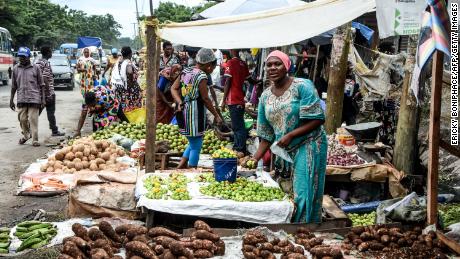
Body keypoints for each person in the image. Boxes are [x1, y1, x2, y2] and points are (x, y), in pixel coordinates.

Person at [251, 50, 327, 223]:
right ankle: (291, 226)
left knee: (304, 190)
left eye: (277, 64)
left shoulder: (302, 86)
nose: (272, 68)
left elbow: (318, 119)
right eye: (269, 65)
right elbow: (266, 134)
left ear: (287, 66)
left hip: (309, 143)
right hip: (284, 149)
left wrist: (291, 135)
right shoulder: (265, 96)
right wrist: (255, 158)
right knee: (287, 191)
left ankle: (305, 228)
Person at [171, 48, 224, 169]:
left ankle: (182, 165)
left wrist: (180, 101)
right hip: (194, 113)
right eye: (213, 66)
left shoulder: (186, 71)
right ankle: (192, 169)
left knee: (193, 141)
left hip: (184, 111)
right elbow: (205, 99)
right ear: (209, 66)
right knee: (196, 146)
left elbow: (173, 89)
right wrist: (216, 115)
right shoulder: (201, 76)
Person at [10, 47, 45, 146]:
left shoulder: (36, 68)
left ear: (29, 57)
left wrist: (43, 99)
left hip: (34, 98)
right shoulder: (16, 68)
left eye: (24, 57)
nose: (21, 59)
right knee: (22, 119)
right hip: (22, 98)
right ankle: (26, 135)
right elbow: (13, 86)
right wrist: (11, 100)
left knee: (33, 120)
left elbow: (42, 84)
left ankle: (35, 139)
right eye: (20, 56)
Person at [221, 49, 250, 155]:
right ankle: (238, 146)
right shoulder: (243, 63)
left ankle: (240, 148)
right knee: (239, 124)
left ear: (231, 50)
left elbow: (228, 82)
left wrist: (223, 100)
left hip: (233, 99)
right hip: (240, 99)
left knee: (238, 126)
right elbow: (250, 79)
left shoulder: (230, 63)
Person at [36, 46, 65, 137]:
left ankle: (28, 128)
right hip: (48, 93)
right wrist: (48, 93)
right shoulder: (45, 63)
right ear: (48, 53)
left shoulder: (38, 63)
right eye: (50, 51)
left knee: (37, 112)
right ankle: (54, 131)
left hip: (39, 92)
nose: (51, 53)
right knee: (50, 112)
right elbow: (44, 78)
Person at [111, 46, 143, 114]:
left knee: (123, 106)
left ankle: (124, 119)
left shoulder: (119, 62)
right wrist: (131, 82)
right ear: (130, 54)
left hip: (121, 89)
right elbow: (129, 72)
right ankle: (132, 120)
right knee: (132, 108)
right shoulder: (128, 62)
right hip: (130, 90)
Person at [74, 47, 97, 137]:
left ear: (90, 53)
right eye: (85, 52)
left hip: (90, 81)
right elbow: (77, 69)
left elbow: (95, 69)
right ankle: (87, 106)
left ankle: (89, 108)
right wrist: (82, 70)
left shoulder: (92, 60)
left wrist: (95, 76)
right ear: (83, 52)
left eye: (88, 52)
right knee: (85, 96)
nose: (86, 53)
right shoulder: (80, 60)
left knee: (91, 95)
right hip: (83, 81)